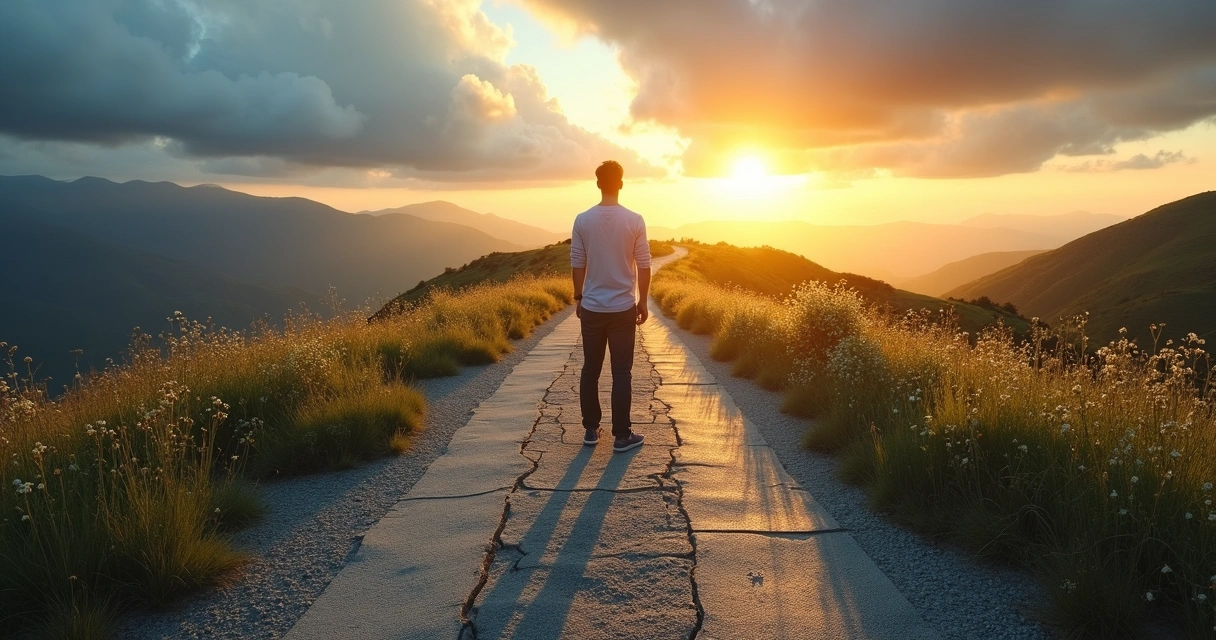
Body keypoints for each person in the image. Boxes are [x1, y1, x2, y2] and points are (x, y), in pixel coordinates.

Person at [570, 160, 651, 453]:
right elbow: (644, 264)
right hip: (622, 309)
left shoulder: (582, 220)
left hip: (592, 308)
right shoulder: (635, 220)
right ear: (621, 184)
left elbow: (578, 262)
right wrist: (642, 301)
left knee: (590, 369)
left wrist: (579, 297)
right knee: (621, 372)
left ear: (598, 184)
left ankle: (591, 430)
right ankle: (622, 436)